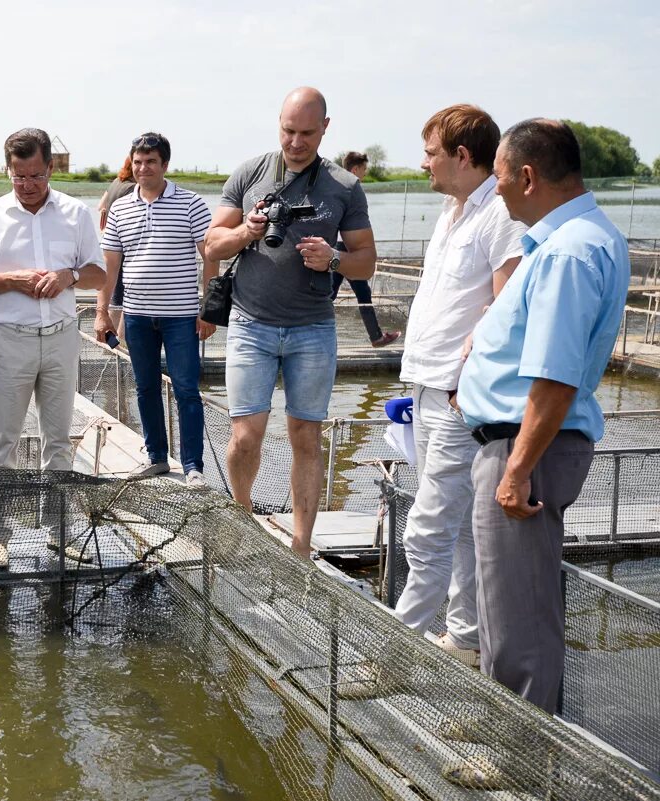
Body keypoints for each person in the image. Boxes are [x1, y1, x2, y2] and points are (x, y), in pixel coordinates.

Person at [458, 119, 630, 713]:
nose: (497, 191)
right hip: (519, 444)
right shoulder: (573, 240)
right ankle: (511, 733)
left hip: (524, 449)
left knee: (519, 619)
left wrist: (516, 469)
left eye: (500, 178)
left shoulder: (570, 252)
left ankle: (517, 754)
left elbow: (554, 378)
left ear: (528, 177)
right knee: (509, 605)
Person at [204, 87, 376, 559]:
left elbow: (367, 262)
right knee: (245, 435)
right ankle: (243, 521)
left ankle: (301, 546)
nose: (296, 141)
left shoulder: (343, 185)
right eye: (287, 130)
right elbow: (211, 246)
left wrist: (334, 258)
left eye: (306, 132)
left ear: (325, 128)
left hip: (312, 329)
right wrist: (246, 231)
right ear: (277, 123)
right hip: (251, 324)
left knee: (306, 435)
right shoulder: (250, 173)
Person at [394, 105, 524, 667]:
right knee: (462, 523)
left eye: (430, 153)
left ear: (462, 156)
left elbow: (505, 304)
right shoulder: (451, 212)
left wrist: (466, 380)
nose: (423, 163)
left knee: (426, 526)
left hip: (457, 391)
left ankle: (393, 652)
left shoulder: (499, 213)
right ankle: (465, 637)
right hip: (427, 383)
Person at [0, 128, 105, 570]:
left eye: (35, 176)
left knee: (58, 440)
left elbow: (99, 274)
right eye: (18, 176)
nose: (26, 185)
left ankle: (57, 531)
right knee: (1, 440)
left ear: (50, 168)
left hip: (61, 338)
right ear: (8, 169)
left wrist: (69, 277)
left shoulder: (77, 214)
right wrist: (13, 280)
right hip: (10, 341)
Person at [94, 132, 217, 486]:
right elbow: (110, 265)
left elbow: (209, 256)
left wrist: (208, 309)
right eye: (137, 162)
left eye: (150, 162)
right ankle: (156, 457)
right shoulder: (120, 207)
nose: (143, 168)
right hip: (135, 315)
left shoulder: (191, 203)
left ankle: (193, 466)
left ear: (164, 165)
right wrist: (102, 312)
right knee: (145, 387)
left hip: (181, 317)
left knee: (186, 389)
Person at [332, 152, 400, 348]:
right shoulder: (352, 189)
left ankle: (376, 336)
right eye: (363, 169)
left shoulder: (336, 186)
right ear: (355, 169)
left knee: (333, 294)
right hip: (349, 248)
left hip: (338, 246)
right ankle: (376, 337)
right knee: (357, 294)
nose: (365, 173)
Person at [97, 154, 136, 343]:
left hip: (110, 244)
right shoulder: (132, 188)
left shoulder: (115, 182)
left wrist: (106, 212)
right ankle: (122, 345)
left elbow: (100, 206)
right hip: (125, 248)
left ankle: (109, 344)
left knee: (115, 294)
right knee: (126, 299)